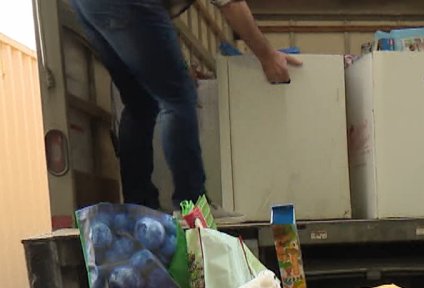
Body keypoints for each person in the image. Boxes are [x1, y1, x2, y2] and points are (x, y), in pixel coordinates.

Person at [70, 0, 299, 219]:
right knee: (178, 98)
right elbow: (231, 4)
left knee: (139, 103)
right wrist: (268, 57)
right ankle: (191, 202)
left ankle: (139, 206)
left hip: (87, 6)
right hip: (129, 4)